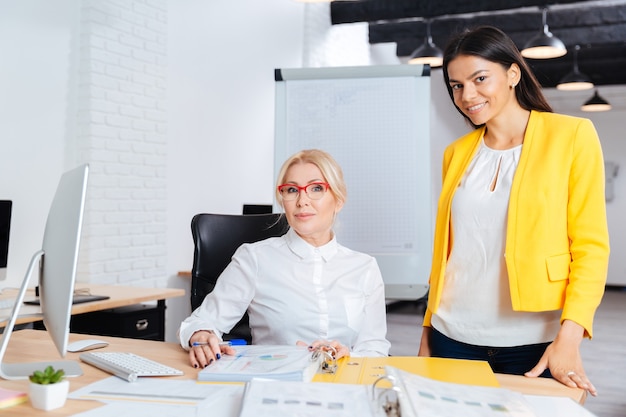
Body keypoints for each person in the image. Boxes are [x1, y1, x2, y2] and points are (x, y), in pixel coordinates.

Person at [418, 26, 609, 396]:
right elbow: (447, 254)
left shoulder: (572, 136)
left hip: (534, 341)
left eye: (479, 79)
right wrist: (428, 329)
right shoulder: (456, 154)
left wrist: (569, 338)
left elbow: (591, 248)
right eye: (456, 85)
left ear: (512, 74)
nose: (467, 95)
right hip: (452, 337)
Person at [179, 149, 390, 368]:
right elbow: (200, 322)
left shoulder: (364, 267)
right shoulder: (255, 258)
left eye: (316, 188)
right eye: (291, 190)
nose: (302, 200)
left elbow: (374, 349)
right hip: (274, 382)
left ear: (339, 200)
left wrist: (347, 358)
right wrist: (201, 336)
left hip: (342, 387)